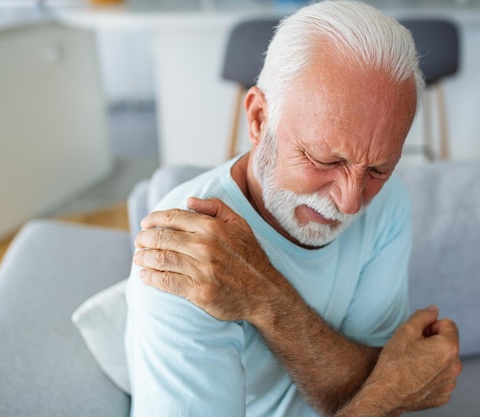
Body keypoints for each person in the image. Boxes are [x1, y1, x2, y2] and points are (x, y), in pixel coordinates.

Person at [125, 1, 461, 416]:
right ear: (259, 118)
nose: (351, 202)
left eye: (377, 169)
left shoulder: (389, 202)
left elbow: (372, 372)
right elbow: (388, 385)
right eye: (325, 160)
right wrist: (393, 392)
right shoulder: (187, 251)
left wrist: (265, 296)